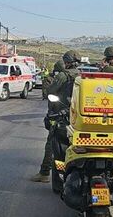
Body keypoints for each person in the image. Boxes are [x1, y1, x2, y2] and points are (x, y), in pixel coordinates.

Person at [30, 50, 81, 183]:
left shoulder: (63, 76)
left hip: (61, 115)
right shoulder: (81, 75)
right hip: (77, 116)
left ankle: (44, 172)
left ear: (67, 62)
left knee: (52, 142)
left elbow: (50, 91)